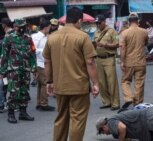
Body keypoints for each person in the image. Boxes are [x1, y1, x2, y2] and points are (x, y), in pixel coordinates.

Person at [43, 7, 99, 141]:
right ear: (79, 20)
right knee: (77, 119)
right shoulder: (83, 36)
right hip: (79, 86)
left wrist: (49, 82)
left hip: (60, 86)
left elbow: (46, 61)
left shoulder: (52, 37)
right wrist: (95, 83)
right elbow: (90, 62)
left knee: (61, 117)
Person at [0, 19, 37, 123]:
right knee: (13, 92)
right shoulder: (9, 38)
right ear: (15, 26)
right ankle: (11, 113)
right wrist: (2, 71)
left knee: (24, 91)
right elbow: (4, 56)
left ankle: (23, 112)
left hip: (25, 70)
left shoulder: (28, 39)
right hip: (13, 70)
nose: (22, 28)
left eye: (23, 26)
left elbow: (31, 55)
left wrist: (34, 68)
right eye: (19, 26)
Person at [119, 13, 148, 106]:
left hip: (129, 62)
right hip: (141, 62)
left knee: (125, 81)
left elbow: (122, 48)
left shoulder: (124, 33)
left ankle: (128, 98)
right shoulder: (144, 31)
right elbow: (146, 43)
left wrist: (122, 61)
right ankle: (138, 104)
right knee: (139, 83)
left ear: (129, 22)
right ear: (138, 21)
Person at [94, 14, 120, 110]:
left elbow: (117, 44)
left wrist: (105, 45)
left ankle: (115, 103)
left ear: (104, 22)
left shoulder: (111, 31)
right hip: (99, 59)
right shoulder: (96, 32)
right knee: (101, 82)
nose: (98, 25)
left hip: (109, 58)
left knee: (111, 81)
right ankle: (106, 101)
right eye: (96, 23)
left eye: (99, 23)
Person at [31, 20, 55, 111]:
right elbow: (34, 50)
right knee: (44, 83)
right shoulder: (36, 37)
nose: (50, 29)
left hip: (43, 62)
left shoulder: (46, 37)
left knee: (41, 84)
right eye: (49, 27)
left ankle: (39, 103)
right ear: (45, 27)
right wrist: (45, 52)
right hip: (40, 62)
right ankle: (44, 104)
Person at [0, 18, 13, 113]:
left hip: (7, 64)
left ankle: (3, 103)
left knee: (4, 83)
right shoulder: (11, 34)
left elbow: (5, 54)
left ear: (4, 25)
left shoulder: (8, 35)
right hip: (10, 64)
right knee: (5, 83)